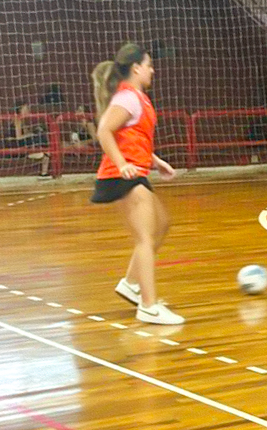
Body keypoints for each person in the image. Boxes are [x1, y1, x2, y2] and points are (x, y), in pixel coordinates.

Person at [91, 43, 183, 325]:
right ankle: (149, 307)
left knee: (161, 224)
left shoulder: (138, 98)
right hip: (122, 175)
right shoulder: (127, 98)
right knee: (145, 238)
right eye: (149, 65)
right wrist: (121, 164)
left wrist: (155, 161)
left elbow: (134, 136)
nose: (152, 70)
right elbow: (104, 131)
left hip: (136, 171)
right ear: (136, 68)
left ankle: (131, 284)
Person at [8, 101, 51, 179]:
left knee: (41, 140)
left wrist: (34, 131)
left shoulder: (22, 120)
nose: (28, 110)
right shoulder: (17, 119)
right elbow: (19, 137)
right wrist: (32, 134)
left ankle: (44, 172)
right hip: (16, 146)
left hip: (23, 144)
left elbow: (26, 133)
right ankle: (43, 170)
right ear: (20, 110)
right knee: (40, 139)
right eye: (26, 109)